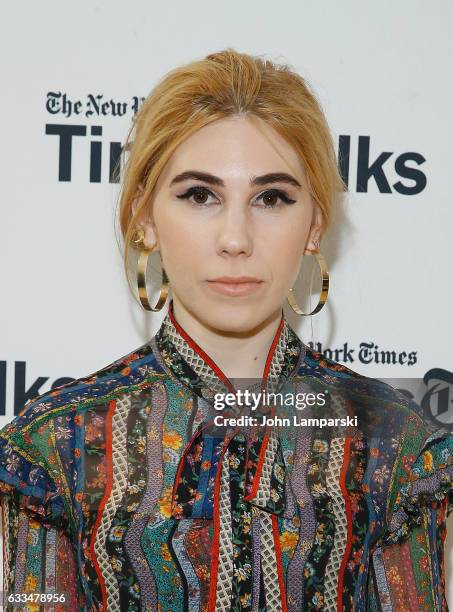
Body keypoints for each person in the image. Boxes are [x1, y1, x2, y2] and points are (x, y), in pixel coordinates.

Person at [0, 48, 451, 612]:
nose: (235, 239)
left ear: (313, 223)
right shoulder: (53, 447)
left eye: (271, 198)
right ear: (144, 218)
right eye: (199, 195)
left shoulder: (398, 448)